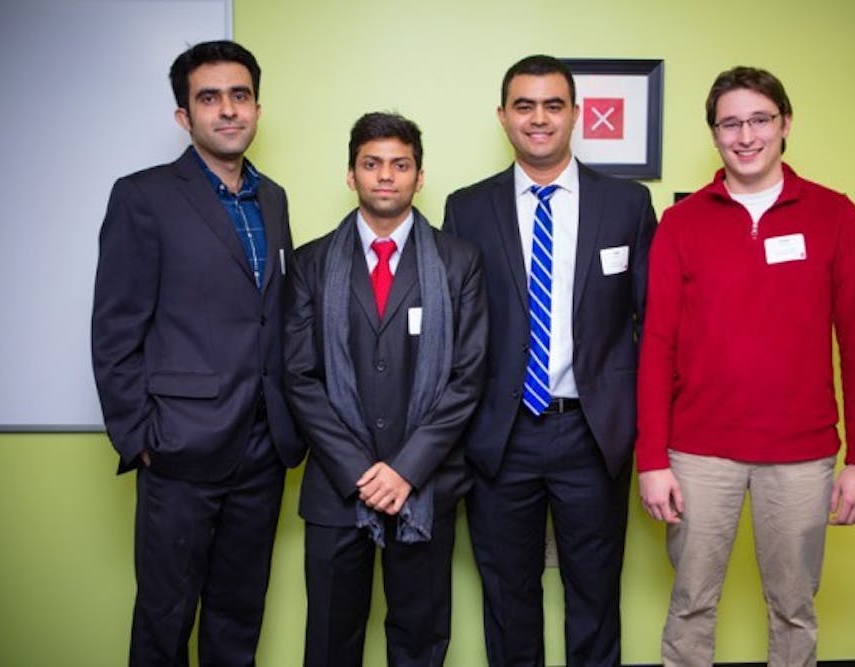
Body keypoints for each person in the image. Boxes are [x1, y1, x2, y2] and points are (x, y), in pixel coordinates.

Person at [636, 66, 855, 667]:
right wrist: (651, 459)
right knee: (691, 602)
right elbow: (657, 346)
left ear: (784, 125)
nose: (745, 135)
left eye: (759, 120)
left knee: (794, 607)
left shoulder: (834, 215)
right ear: (715, 134)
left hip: (801, 455)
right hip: (698, 452)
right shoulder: (682, 223)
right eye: (730, 123)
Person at [91, 40, 304, 666]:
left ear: (257, 108)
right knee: (164, 619)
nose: (227, 110)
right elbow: (115, 328)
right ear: (185, 116)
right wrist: (140, 437)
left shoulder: (274, 198)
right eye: (209, 98)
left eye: (239, 96)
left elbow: (274, 311)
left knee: (240, 618)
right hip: (180, 448)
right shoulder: (143, 197)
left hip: (264, 449)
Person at [443, 55, 657, 666]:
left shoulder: (626, 205)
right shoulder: (466, 209)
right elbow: (455, 328)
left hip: (592, 434)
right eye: (525, 106)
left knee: (594, 594)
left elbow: (652, 321)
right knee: (508, 598)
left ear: (575, 114)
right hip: (498, 436)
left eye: (553, 105)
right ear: (504, 116)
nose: (539, 119)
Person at [283, 112, 487, 667]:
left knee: (420, 642)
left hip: (423, 486)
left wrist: (405, 470)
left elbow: (467, 377)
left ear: (420, 176)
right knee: (330, 641)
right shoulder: (310, 263)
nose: (386, 177)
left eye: (400, 165)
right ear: (350, 174)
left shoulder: (459, 262)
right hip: (335, 489)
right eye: (371, 164)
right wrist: (358, 469)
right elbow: (299, 378)